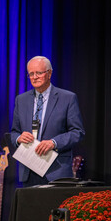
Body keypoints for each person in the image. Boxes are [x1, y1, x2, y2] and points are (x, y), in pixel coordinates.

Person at [10, 56, 85, 187]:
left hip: (56, 171)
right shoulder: (21, 100)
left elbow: (77, 132)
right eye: (31, 74)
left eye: (39, 73)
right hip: (28, 170)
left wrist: (54, 143)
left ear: (49, 73)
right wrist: (18, 139)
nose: (34, 77)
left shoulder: (67, 98)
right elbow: (14, 132)